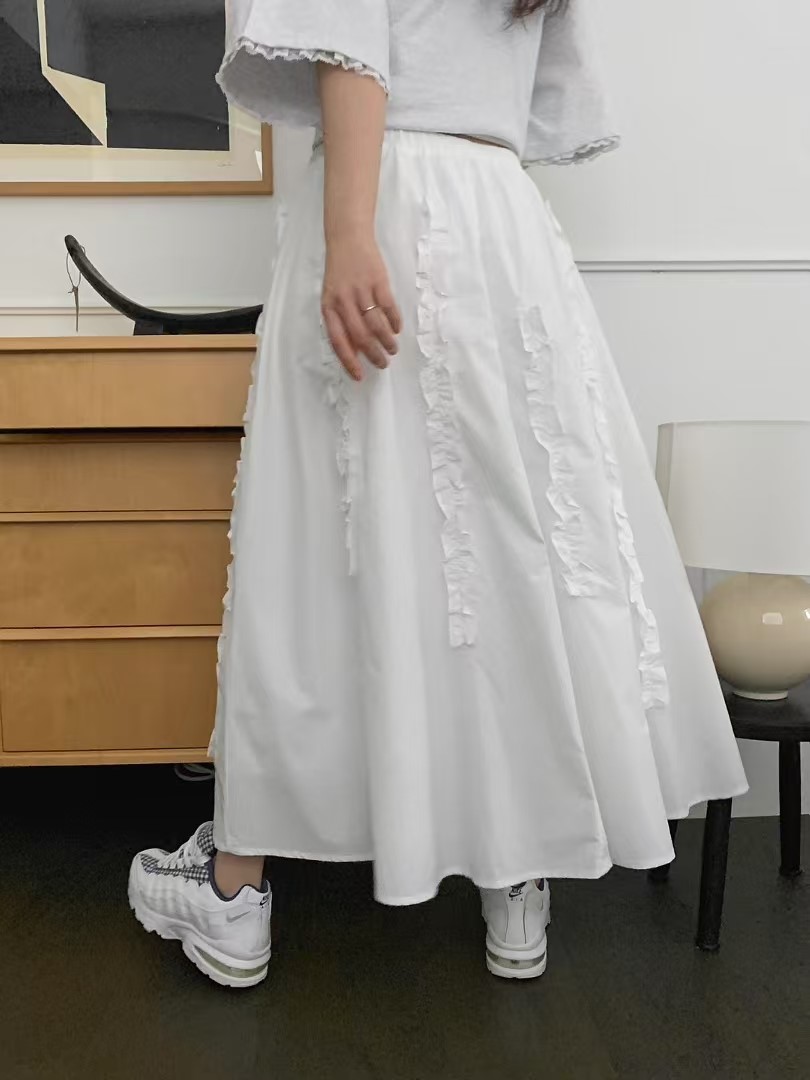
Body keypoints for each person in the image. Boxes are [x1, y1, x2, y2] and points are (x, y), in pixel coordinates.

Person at [128, 0, 748, 989]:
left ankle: (235, 892)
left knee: (318, 549)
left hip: (385, 200)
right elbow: (520, 90)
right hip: (503, 221)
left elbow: (351, 46)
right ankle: (519, 876)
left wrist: (349, 233)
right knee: (510, 544)